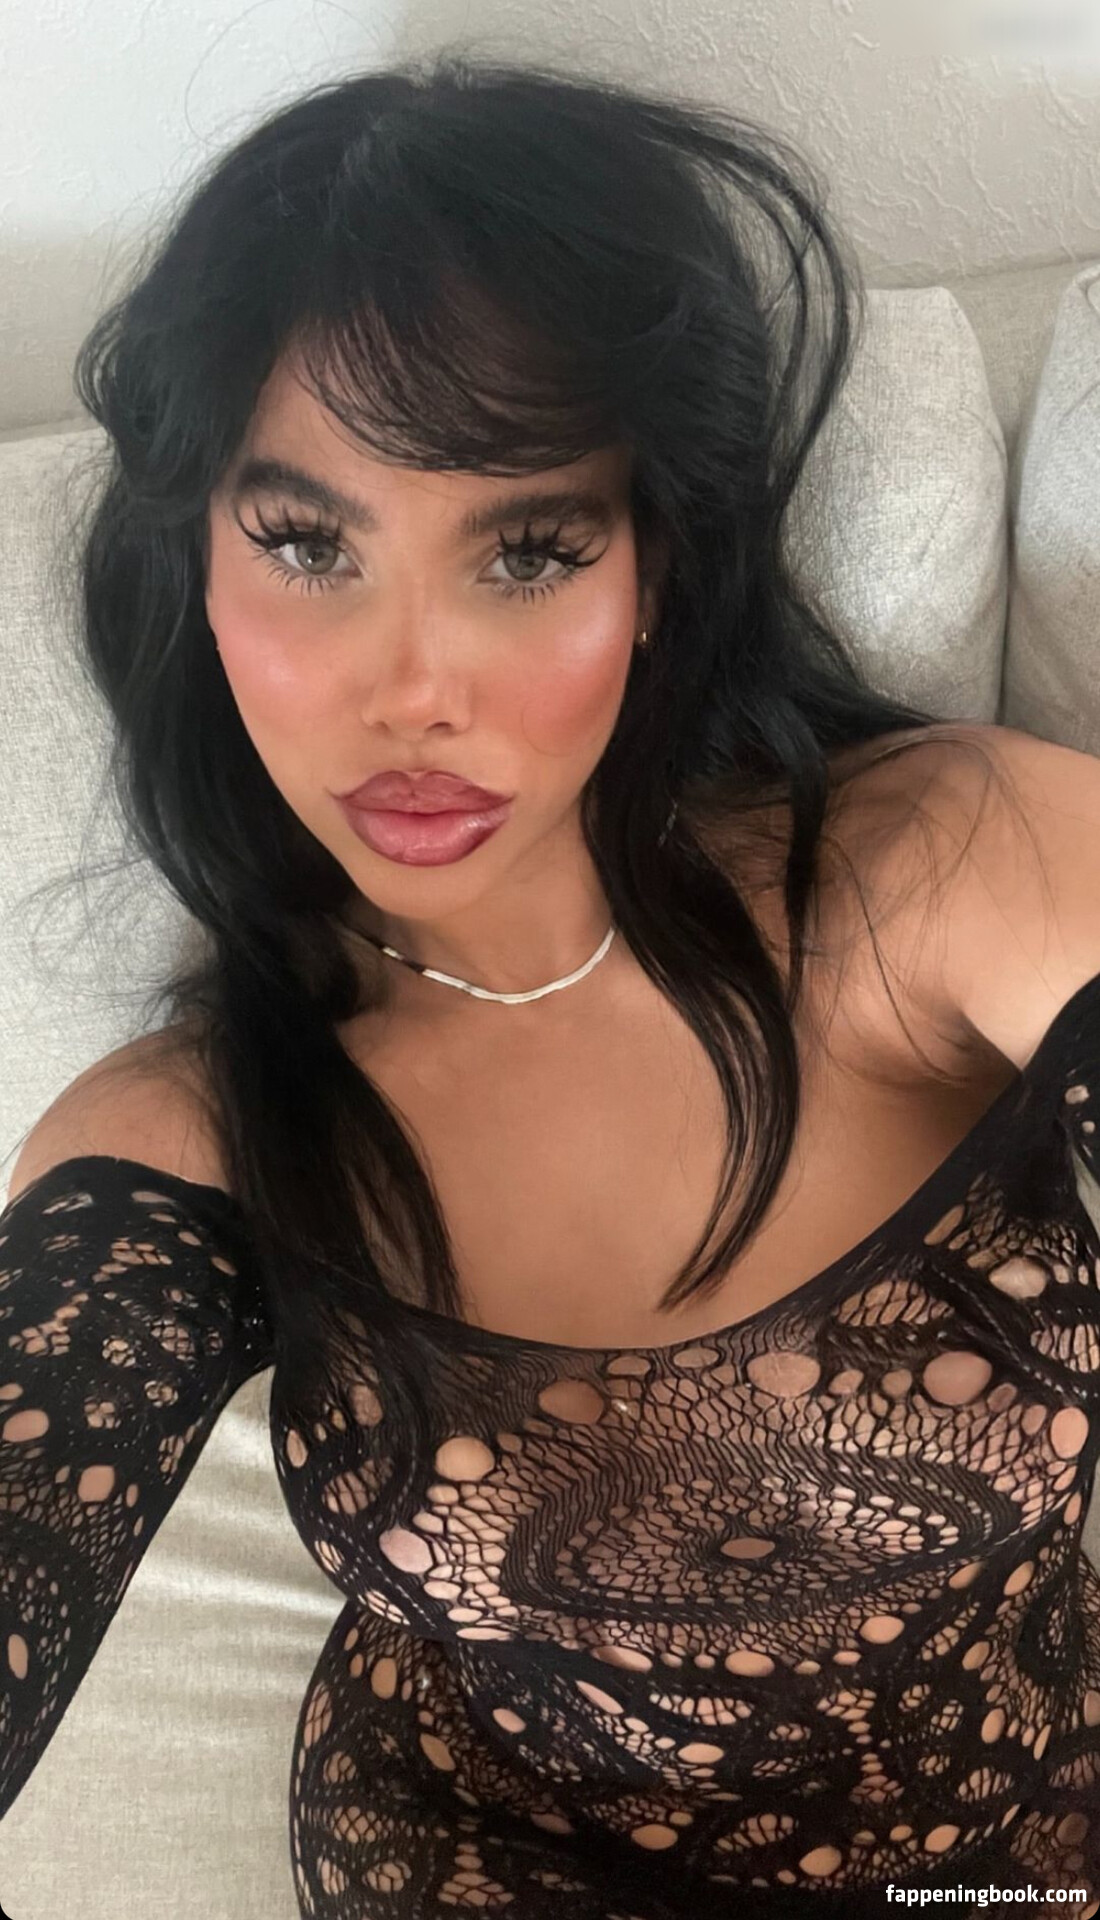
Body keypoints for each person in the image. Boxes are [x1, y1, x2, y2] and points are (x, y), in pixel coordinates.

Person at [1, 50, 1098, 1920]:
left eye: (525, 550)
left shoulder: (940, 864)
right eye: (307, 544)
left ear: (654, 568)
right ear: (196, 568)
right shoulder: (189, 1135)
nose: (414, 688)